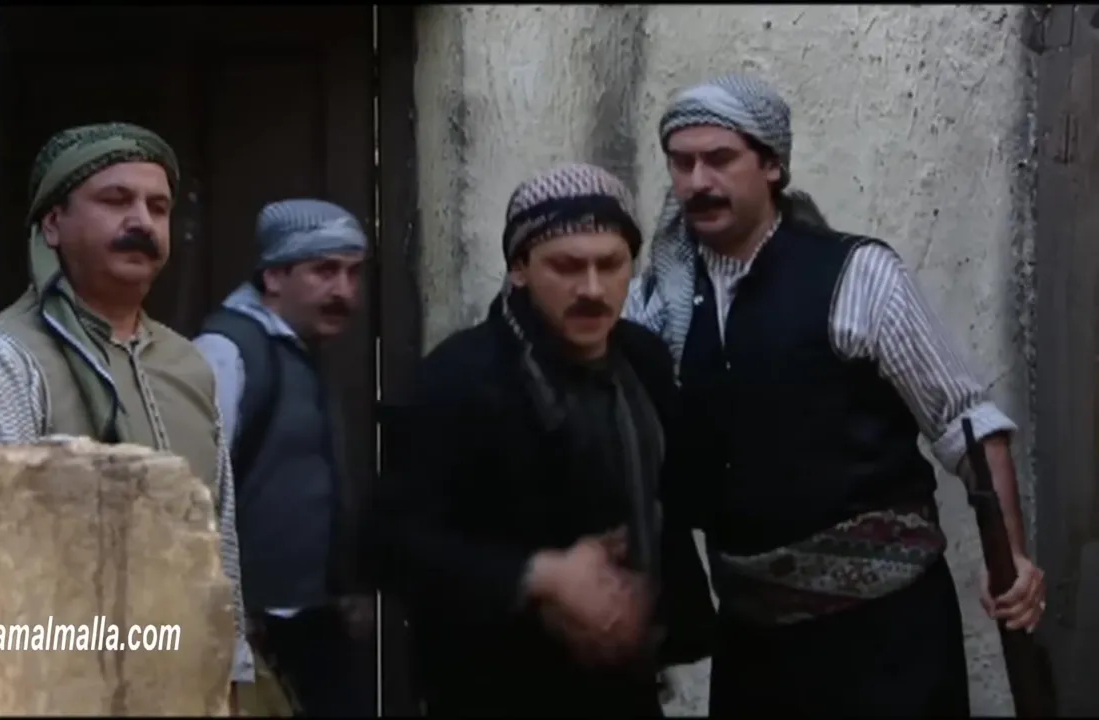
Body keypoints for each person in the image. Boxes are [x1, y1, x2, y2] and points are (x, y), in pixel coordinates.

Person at [625, 75, 1047, 716]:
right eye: (681, 163)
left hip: (889, 643)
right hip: (754, 645)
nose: (697, 182)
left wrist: (1009, 555)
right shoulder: (655, 303)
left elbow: (965, 422)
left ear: (771, 164)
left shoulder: (859, 277)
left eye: (719, 159)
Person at [376, 163, 717, 717]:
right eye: (566, 266)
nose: (592, 289)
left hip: (626, 683)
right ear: (519, 269)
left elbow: (675, 495)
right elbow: (390, 543)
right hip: (494, 689)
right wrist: (542, 575)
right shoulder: (457, 379)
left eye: (610, 265)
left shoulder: (643, 361)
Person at [0, 123, 254, 709]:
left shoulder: (187, 364)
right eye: (115, 200)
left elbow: (220, 537)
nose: (142, 222)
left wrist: (229, 675)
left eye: (157, 207)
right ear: (52, 225)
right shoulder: (5, 360)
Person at [193, 199, 376, 717]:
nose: (344, 291)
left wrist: (344, 588)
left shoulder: (303, 349)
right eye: (325, 271)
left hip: (313, 623)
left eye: (353, 273)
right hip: (252, 630)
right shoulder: (227, 351)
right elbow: (195, 491)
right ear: (274, 276)